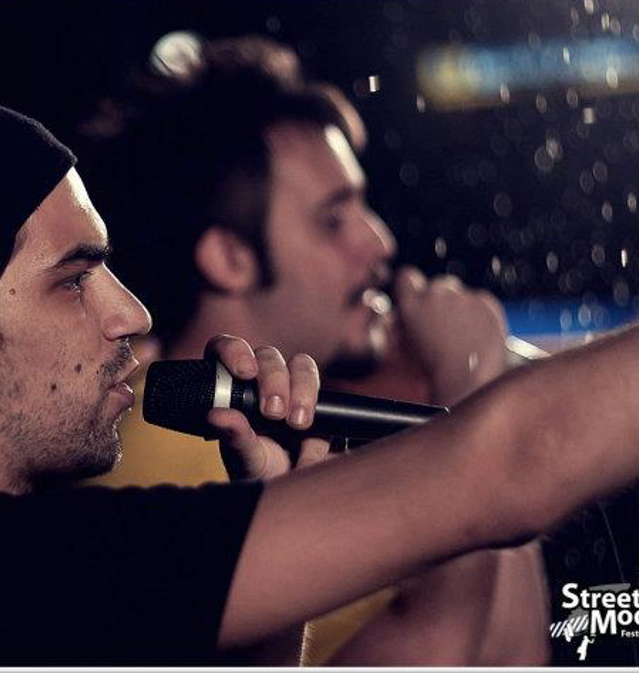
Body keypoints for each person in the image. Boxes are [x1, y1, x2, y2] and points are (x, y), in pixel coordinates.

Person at [0, 88, 639, 667]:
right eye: (75, 279)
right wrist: (468, 380)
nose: (131, 314)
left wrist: (263, 528)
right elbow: (513, 465)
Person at [77, 35, 546, 664]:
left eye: (363, 208)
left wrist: (482, 402)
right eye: (332, 220)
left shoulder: (271, 427)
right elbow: (438, 653)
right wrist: (472, 387)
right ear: (231, 258)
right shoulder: (168, 450)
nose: (379, 242)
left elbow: (510, 655)